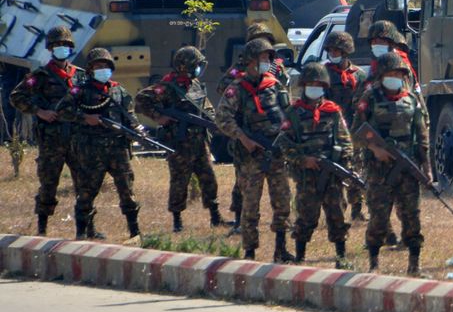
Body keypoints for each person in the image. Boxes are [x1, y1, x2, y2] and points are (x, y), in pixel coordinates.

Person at [214, 38, 294, 262]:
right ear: (249, 61)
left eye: (269, 58)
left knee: (282, 201)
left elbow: (289, 115)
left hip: (276, 153)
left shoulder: (275, 85)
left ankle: (281, 248)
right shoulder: (237, 89)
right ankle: (249, 251)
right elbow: (222, 118)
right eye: (262, 58)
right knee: (250, 205)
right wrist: (243, 138)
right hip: (251, 156)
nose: (267, 62)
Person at [353, 53, 429, 274]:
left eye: (398, 74)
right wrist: (375, 149)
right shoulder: (370, 98)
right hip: (379, 170)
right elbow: (356, 134)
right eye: (390, 74)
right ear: (381, 75)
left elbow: (422, 136)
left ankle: (414, 265)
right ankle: (374, 264)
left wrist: (427, 169)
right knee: (379, 216)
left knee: (412, 215)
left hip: (406, 167)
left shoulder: (411, 100)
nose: (395, 77)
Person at [57, 48, 142, 241]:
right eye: (98, 66)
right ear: (90, 69)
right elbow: (62, 111)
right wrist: (85, 117)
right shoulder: (80, 91)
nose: (102, 69)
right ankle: (81, 232)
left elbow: (130, 115)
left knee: (127, 191)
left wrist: (136, 129)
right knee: (86, 191)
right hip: (91, 150)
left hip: (117, 150)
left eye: (106, 66)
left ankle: (134, 231)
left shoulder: (119, 90)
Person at [135, 46, 221, 232]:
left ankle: (216, 216)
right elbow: (141, 99)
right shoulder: (167, 87)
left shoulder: (195, 84)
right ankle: (177, 221)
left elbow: (207, 107)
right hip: (179, 144)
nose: (198, 68)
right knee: (179, 182)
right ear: (184, 66)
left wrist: (213, 121)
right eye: (195, 65)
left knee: (209, 179)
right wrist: (158, 117)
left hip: (199, 142)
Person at [275, 63, 354, 267]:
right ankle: (300, 257)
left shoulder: (333, 112)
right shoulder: (294, 113)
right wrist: (303, 160)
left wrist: (343, 164)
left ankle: (341, 257)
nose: (314, 87)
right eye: (310, 84)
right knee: (306, 215)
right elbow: (283, 143)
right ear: (303, 86)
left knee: (337, 214)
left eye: (318, 84)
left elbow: (345, 141)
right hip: (306, 175)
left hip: (331, 175)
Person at [9, 26, 83, 236]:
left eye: (65, 45)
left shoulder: (79, 76)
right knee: (49, 184)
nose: (62, 49)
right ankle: (42, 228)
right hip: (52, 139)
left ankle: (85, 228)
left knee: (84, 185)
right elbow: (16, 97)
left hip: (77, 139)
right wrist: (39, 112)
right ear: (50, 48)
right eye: (57, 45)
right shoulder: (40, 75)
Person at [323, 31, 369, 222]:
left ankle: (357, 209)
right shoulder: (323, 73)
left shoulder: (359, 75)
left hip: (354, 130)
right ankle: (336, 209)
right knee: (333, 173)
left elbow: (364, 104)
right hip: (330, 131)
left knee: (356, 170)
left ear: (346, 52)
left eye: (337, 50)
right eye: (330, 50)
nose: (333, 53)